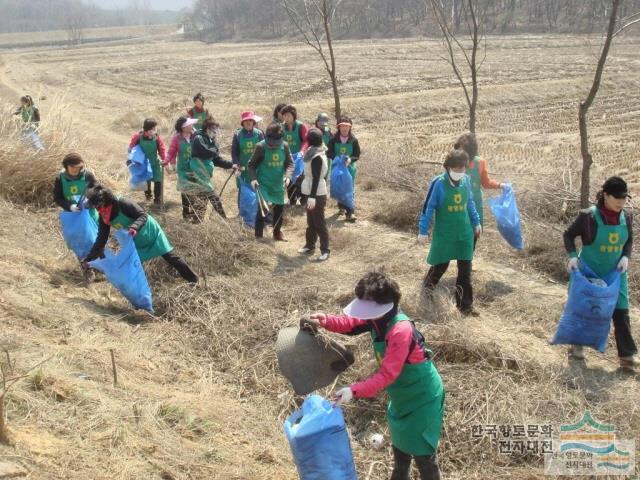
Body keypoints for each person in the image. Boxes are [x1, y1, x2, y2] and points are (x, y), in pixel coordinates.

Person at [301, 271, 444, 480]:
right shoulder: (376, 320)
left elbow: (387, 375)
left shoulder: (400, 331)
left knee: (424, 455)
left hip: (423, 398)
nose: (363, 313)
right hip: (402, 398)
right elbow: (350, 324)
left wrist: (353, 390)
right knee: (401, 450)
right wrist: (325, 321)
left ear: (386, 304)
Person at [563, 176, 639, 368]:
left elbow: (628, 240)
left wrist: (626, 257)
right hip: (590, 270)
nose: (621, 202)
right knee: (584, 308)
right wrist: (572, 255)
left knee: (621, 311)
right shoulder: (588, 217)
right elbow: (569, 234)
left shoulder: (626, 217)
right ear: (605, 195)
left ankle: (627, 356)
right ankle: (577, 346)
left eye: (624, 198)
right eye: (616, 197)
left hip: (615, 273)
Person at [82, 185, 198, 283]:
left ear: (104, 201)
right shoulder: (104, 217)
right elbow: (101, 239)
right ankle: (141, 294)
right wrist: (89, 258)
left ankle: (194, 280)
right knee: (133, 266)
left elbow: (143, 215)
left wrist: (134, 227)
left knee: (170, 257)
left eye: (97, 206)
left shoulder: (122, 203)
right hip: (135, 240)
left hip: (150, 232)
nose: (97, 210)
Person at [418, 149, 481, 316]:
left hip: (464, 234)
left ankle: (465, 306)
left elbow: (470, 204)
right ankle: (426, 290)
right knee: (440, 265)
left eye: (462, 169)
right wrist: (423, 231)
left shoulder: (466, 181)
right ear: (447, 168)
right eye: (456, 169)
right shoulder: (438, 183)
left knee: (465, 271)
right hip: (445, 233)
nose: (459, 172)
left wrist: (476, 222)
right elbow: (428, 208)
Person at [454, 133, 508, 234]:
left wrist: (500, 185)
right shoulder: (453, 162)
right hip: (457, 204)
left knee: (473, 234)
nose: (460, 153)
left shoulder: (480, 163)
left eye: (463, 151)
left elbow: (486, 183)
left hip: (475, 204)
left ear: (471, 152)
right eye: (458, 150)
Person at [248, 122, 293, 241]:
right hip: (263, 183)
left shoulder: (285, 146)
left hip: (278, 183)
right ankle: (258, 236)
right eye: (272, 143)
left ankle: (277, 233)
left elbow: (289, 164)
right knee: (263, 209)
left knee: (279, 209)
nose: (273, 146)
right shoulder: (260, 147)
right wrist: (253, 179)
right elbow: (251, 165)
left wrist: (288, 177)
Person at [189, 117, 237, 220]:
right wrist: (216, 149)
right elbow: (206, 152)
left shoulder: (210, 140)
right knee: (212, 195)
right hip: (199, 172)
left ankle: (197, 220)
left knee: (202, 196)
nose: (215, 132)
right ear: (208, 129)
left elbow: (216, 160)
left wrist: (231, 165)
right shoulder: (198, 138)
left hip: (205, 174)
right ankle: (223, 218)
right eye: (214, 130)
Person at [298, 128, 330, 262]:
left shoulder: (317, 156)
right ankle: (310, 245)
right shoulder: (312, 151)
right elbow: (309, 173)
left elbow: (316, 178)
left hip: (317, 193)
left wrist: (312, 196)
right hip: (310, 189)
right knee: (311, 222)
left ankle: (325, 250)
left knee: (319, 223)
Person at [327, 116, 361, 222]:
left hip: (349, 168)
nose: (344, 128)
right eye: (342, 126)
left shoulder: (354, 140)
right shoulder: (333, 140)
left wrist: (350, 160)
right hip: (337, 167)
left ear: (350, 127)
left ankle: (350, 213)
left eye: (347, 126)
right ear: (338, 127)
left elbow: (357, 154)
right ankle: (341, 207)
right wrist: (336, 158)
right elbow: (329, 152)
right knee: (339, 187)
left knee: (349, 189)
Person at [129, 118, 167, 205]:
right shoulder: (138, 137)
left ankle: (157, 199)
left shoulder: (156, 137)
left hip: (155, 163)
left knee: (158, 180)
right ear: (146, 129)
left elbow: (161, 149)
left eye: (155, 129)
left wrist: (164, 158)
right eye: (152, 129)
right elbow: (131, 148)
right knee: (147, 180)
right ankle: (148, 195)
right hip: (144, 164)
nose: (154, 130)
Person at [166, 116, 198, 221]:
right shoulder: (177, 138)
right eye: (189, 125)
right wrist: (168, 161)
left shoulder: (196, 135)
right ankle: (185, 213)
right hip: (183, 168)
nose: (192, 126)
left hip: (196, 168)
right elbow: (171, 152)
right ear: (183, 127)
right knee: (185, 190)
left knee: (195, 190)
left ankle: (194, 213)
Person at [280, 105, 308, 205]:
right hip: (287, 158)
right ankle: (292, 201)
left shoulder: (301, 126)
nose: (286, 118)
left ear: (293, 116)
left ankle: (303, 200)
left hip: (300, 158)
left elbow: (306, 140)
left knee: (301, 179)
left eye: (288, 115)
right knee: (289, 178)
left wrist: (302, 151)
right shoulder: (282, 127)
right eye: (284, 116)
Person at [231, 111, 265, 190]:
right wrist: (235, 164)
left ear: (253, 122)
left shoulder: (259, 133)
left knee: (259, 191)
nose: (248, 122)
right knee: (244, 192)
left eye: (250, 120)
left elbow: (264, 151)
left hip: (257, 167)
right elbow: (234, 151)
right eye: (246, 121)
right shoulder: (237, 134)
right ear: (242, 122)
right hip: (242, 168)